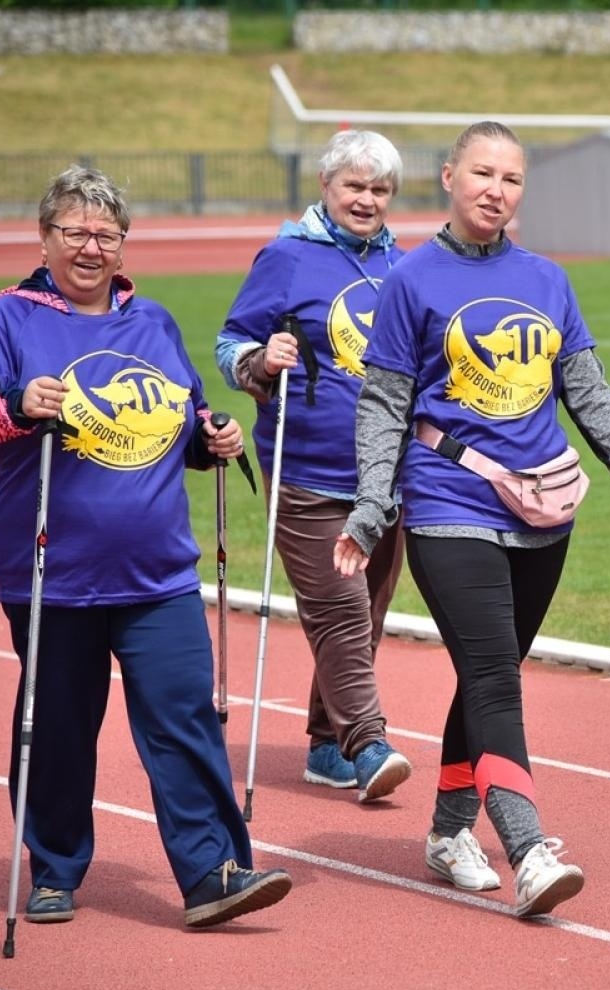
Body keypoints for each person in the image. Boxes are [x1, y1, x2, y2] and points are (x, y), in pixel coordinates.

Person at [333, 121, 610, 918]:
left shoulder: (549, 278)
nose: (496, 190)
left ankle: (451, 830)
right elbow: (384, 403)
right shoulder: (412, 281)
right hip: (449, 503)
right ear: (450, 176)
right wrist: (373, 505)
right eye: (482, 173)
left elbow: (585, 388)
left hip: (544, 510)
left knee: (490, 676)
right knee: (493, 676)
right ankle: (526, 849)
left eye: (512, 178)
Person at [0, 165, 291, 929]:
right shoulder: (6, 320)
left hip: (158, 573)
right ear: (44, 237)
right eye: (76, 232)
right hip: (52, 576)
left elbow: (180, 417)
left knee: (186, 717)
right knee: (59, 727)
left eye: (107, 233)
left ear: (124, 242)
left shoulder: (153, 323)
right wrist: (16, 404)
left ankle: (212, 874)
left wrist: (211, 438)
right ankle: (55, 867)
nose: (92, 247)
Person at [216, 129, 412, 804]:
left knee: (370, 612)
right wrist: (258, 362)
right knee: (340, 610)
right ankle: (368, 740)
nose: (366, 200)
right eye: (354, 186)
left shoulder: (402, 266)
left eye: (379, 189)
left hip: (385, 476)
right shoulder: (288, 257)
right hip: (305, 470)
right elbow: (231, 340)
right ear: (326, 187)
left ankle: (328, 747)